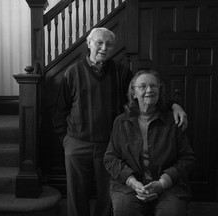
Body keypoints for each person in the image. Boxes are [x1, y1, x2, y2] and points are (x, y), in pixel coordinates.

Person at [53, 27, 188, 216]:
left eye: (109, 44)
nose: (104, 47)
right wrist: (65, 140)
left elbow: (143, 94)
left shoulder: (122, 72)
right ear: (89, 44)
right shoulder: (72, 72)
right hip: (76, 144)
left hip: (109, 147)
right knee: (76, 195)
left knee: (107, 197)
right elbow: (60, 110)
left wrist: (173, 105)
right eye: (99, 42)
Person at [104, 69, 195, 216]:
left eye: (154, 86)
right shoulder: (121, 122)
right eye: (142, 86)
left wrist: (162, 183)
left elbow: (187, 158)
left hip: (170, 185)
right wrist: (133, 183)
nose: (149, 90)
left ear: (159, 90)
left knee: (171, 212)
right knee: (124, 209)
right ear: (133, 93)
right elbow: (110, 158)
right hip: (129, 185)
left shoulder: (174, 120)